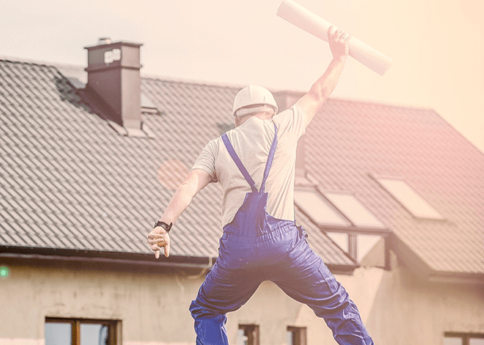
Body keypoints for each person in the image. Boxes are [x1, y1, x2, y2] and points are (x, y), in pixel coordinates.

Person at [146, 26, 374, 345]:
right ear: (270, 112)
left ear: (237, 117)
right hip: (285, 247)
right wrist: (339, 57)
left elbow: (188, 185)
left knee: (207, 310)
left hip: (237, 251)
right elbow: (320, 92)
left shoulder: (218, 145)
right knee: (338, 305)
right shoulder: (286, 125)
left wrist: (163, 225)